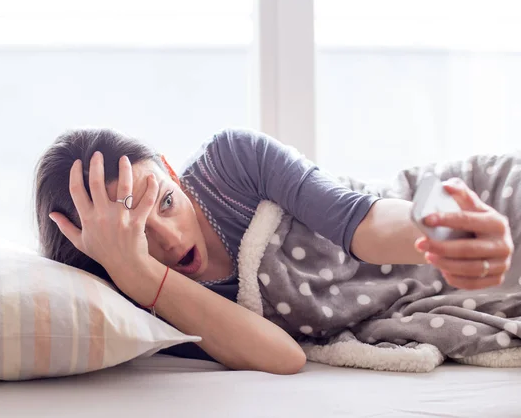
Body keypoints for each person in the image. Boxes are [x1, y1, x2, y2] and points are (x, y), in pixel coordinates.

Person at [34, 127, 514, 375]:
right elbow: (284, 357)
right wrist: (139, 275)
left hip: (465, 205)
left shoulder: (231, 165)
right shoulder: (136, 305)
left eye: (165, 202)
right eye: (136, 234)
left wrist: (454, 230)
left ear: (169, 170)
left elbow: (361, 219)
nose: (171, 239)